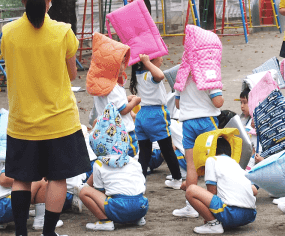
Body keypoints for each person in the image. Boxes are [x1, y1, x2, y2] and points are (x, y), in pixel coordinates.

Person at [1, 0, 91, 236]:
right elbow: (73, 73)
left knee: (21, 179)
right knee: (57, 177)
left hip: (22, 120)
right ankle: (49, 235)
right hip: (59, 120)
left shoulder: (8, 32)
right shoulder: (63, 31)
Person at [78, 103, 148, 231]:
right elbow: (142, 184)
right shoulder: (133, 161)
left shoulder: (99, 164)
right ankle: (137, 218)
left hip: (119, 208)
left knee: (84, 192)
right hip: (142, 207)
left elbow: (100, 191)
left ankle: (105, 221)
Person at [172, 75, 223, 217]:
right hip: (207, 120)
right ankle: (213, 202)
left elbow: (177, 104)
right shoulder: (208, 72)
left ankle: (191, 206)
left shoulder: (181, 75)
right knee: (213, 162)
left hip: (188, 122)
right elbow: (218, 102)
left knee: (191, 165)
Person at [129, 54, 183, 188]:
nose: (162, 59)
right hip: (156, 114)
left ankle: (140, 183)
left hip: (142, 115)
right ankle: (177, 179)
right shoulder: (149, 74)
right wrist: (147, 62)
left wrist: (146, 63)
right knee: (167, 149)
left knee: (144, 152)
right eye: (158, 56)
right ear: (150, 60)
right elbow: (160, 76)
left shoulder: (138, 74)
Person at [186, 138, 257, 234]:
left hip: (231, 214)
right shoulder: (234, 163)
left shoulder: (211, 159)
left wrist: (207, 217)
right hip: (250, 214)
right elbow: (254, 190)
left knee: (191, 190)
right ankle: (218, 222)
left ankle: (213, 225)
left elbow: (212, 192)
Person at [87, 34, 142, 160]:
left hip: (106, 134)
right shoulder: (114, 88)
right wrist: (135, 101)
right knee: (131, 162)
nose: (124, 64)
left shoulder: (101, 86)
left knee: (111, 162)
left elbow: (110, 104)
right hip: (123, 133)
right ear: (111, 65)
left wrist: (126, 99)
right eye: (121, 61)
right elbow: (122, 110)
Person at [0, 161, 64, 231]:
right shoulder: (17, 155)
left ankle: (1, 223)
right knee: (42, 180)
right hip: (6, 206)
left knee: (22, 186)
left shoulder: (1, 159)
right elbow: (4, 180)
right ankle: (41, 220)